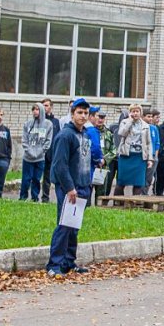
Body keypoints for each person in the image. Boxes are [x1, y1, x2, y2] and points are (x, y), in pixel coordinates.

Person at [47, 98, 95, 278]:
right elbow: (60, 165)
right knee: (64, 225)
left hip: (83, 185)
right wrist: (69, 187)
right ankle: (54, 264)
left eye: (85, 113)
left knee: (74, 226)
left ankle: (68, 262)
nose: (83, 116)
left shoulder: (85, 134)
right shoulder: (65, 135)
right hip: (69, 188)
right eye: (79, 113)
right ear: (72, 114)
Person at [116, 104, 152, 196]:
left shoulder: (146, 125)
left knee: (138, 182)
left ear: (141, 113)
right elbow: (121, 133)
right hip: (126, 155)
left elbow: (148, 143)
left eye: (137, 111)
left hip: (139, 156)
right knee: (121, 181)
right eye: (133, 111)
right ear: (130, 112)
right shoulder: (124, 122)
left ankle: (133, 203)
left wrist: (150, 159)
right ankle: (118, 203)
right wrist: (130, 121)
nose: (135, 113)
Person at [20, 102, 53, 201]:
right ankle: (23, 197)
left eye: (37, 109)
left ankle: (35, 198)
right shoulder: (27, 124)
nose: (35, 111)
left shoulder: (48, 124)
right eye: (33, 109)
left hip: (40, 158)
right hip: (28, 158)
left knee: (36, 179)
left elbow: (48, 141)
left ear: (42, 110)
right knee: (26, 179)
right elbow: (24, 140)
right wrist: (30, 152)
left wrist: (40, 152)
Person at [39, 98, 61, 203]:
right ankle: (43, 197)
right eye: (43, 105)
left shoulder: (56, 122)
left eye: (47, 105)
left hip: (53, 153)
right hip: (42, 153)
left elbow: (58, 137)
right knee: (42, 177)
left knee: (53, 176)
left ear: (51, 107)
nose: (45, 107)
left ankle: (53, 197)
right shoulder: (39, 121)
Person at [95, 110, 118, 197]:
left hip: (103, 167)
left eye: (102, 118)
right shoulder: (88, 131)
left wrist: (105, 159)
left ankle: (100, 209)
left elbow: (114, 150)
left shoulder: (109, 133)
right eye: (98, 117)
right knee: (87, 192)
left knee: (102, 192)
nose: (100, 120)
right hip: (90, 166)